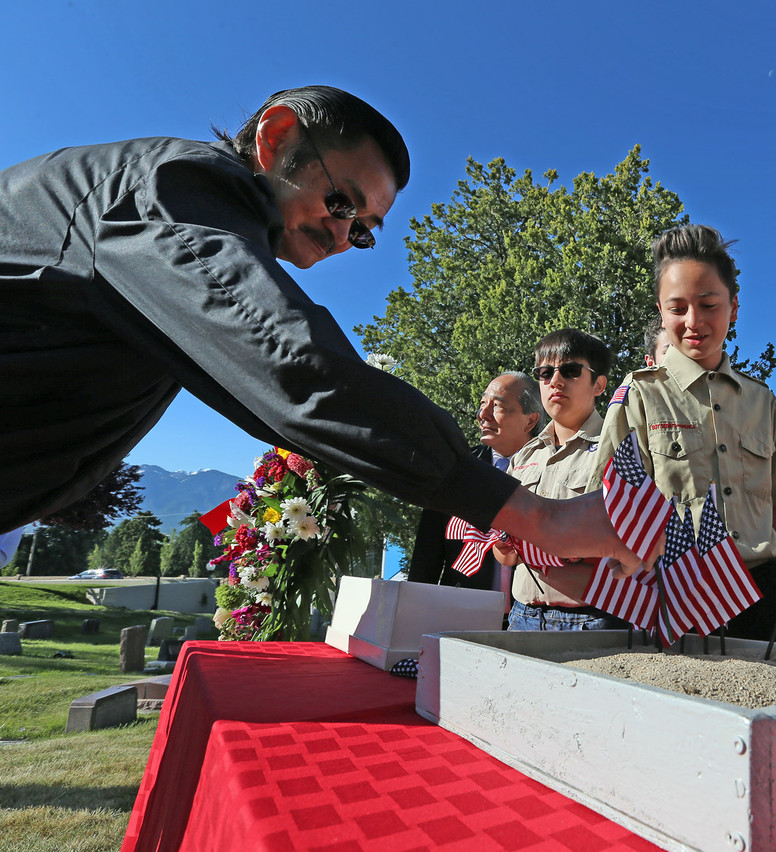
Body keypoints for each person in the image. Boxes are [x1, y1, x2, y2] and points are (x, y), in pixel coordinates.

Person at [0, 86, 643, 572]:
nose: (342, 235)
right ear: (277, 137)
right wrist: (537, 515)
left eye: (363, 229)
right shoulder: (172, 189)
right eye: (341, 202)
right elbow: (295, 366)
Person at [588, 225, 776, 644]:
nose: (693, 321)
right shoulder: (639, 394)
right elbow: (607, 506)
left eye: (709, 304)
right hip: (676, 598)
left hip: (762, 599)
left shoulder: (762, 401)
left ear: (733, 307)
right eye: (678, 308)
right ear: (660, 310)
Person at [498, 330, 627, 630]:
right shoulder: (522, 456)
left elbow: (631, 536)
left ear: (599, 384)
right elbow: (503, 554)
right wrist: (504, 544)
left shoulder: (621, 447)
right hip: (523, 616)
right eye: (544, 372)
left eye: (570, 370)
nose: (555, 381)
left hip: (594, 618)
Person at [407, 372, 542, 589]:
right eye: (482, 404)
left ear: (530, 420)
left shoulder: (553, 467)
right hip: (462, 610)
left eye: (497, 406)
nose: (483, 414)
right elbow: (427, 553)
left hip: (533, 616)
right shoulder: (456, 469)